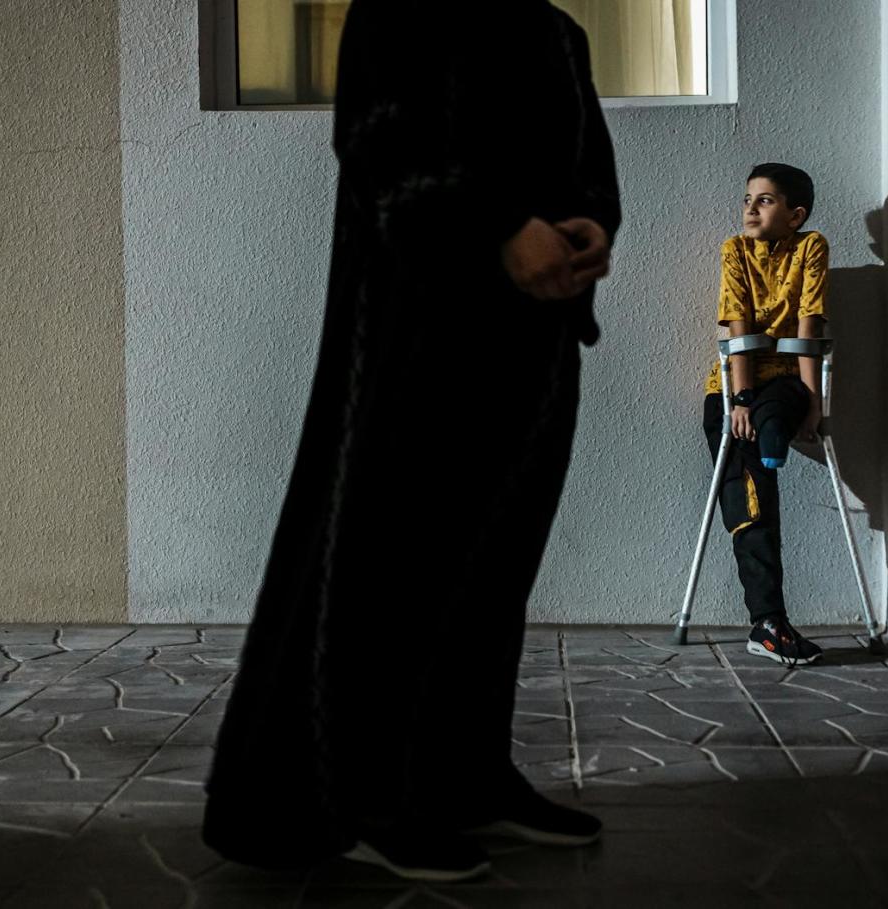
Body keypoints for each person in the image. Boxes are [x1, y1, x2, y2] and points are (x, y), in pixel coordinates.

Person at [201, 0, 620, 884]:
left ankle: (465, 781)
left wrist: (590, 228)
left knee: (493, 564)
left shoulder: (552, 29)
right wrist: (504, 230)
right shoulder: (400, 8)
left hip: (531, 343)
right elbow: (379, 149)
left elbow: (589, 164)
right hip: (415, 335)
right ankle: (349, 800)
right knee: (390, 563)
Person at [701, 163, 828, 667]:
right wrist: (741, 400)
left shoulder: (811, 246)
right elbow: (735, 323)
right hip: (735, 388)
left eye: (766, 200)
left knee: (784, 401)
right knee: (750, 499)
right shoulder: (733, 250)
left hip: (787, 383)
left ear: (795, 215)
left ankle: (773, 428)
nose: (751, 208)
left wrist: (816, 402)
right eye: (748, 198)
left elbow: (810, 322)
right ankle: (768, 622)